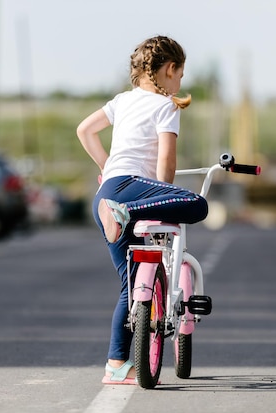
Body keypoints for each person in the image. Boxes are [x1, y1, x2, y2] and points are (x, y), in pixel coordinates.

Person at [76, 35, 208, 385]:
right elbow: (166, 160)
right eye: (180, 74)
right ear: (168, 70)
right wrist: (167, 193)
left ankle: (117, 364)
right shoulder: (166, 106)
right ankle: (124, 211)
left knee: (129, 285)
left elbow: (85, 130)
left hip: (106, 192)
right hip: (134, 193)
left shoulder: (122, 101)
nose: (180, 82)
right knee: (198, 204)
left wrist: (106, 167)